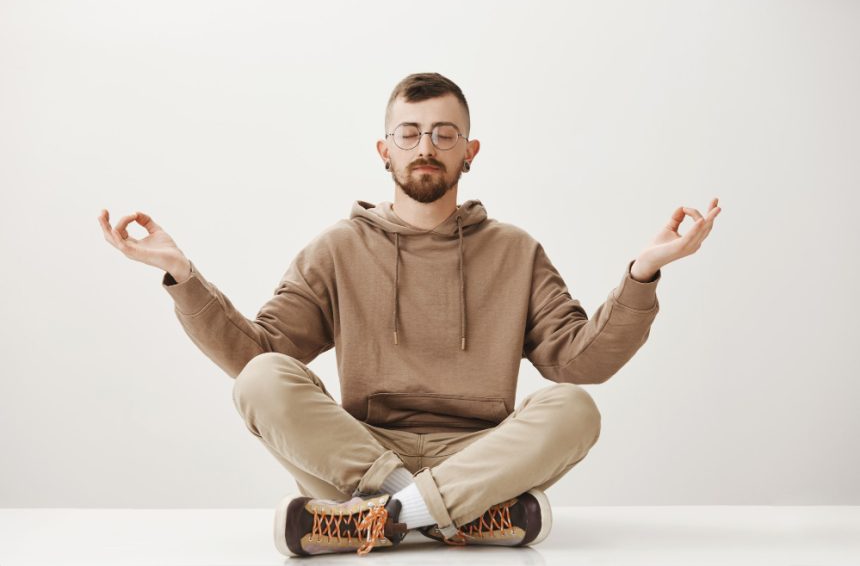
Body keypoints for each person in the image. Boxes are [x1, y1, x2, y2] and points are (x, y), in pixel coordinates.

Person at [98, 72, 721, 557]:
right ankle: (451, 518)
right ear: (384, 149)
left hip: (479, 457)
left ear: (469, 150)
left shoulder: (515, 251)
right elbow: (258, 352)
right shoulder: (337, 248)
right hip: (361, 454)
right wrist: (182, 275)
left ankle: (374, 524)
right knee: (260, 378)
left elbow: (580, 361)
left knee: (574, 408)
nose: (427, 147)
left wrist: (641, 274)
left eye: (445, 134)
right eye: (410, 132)